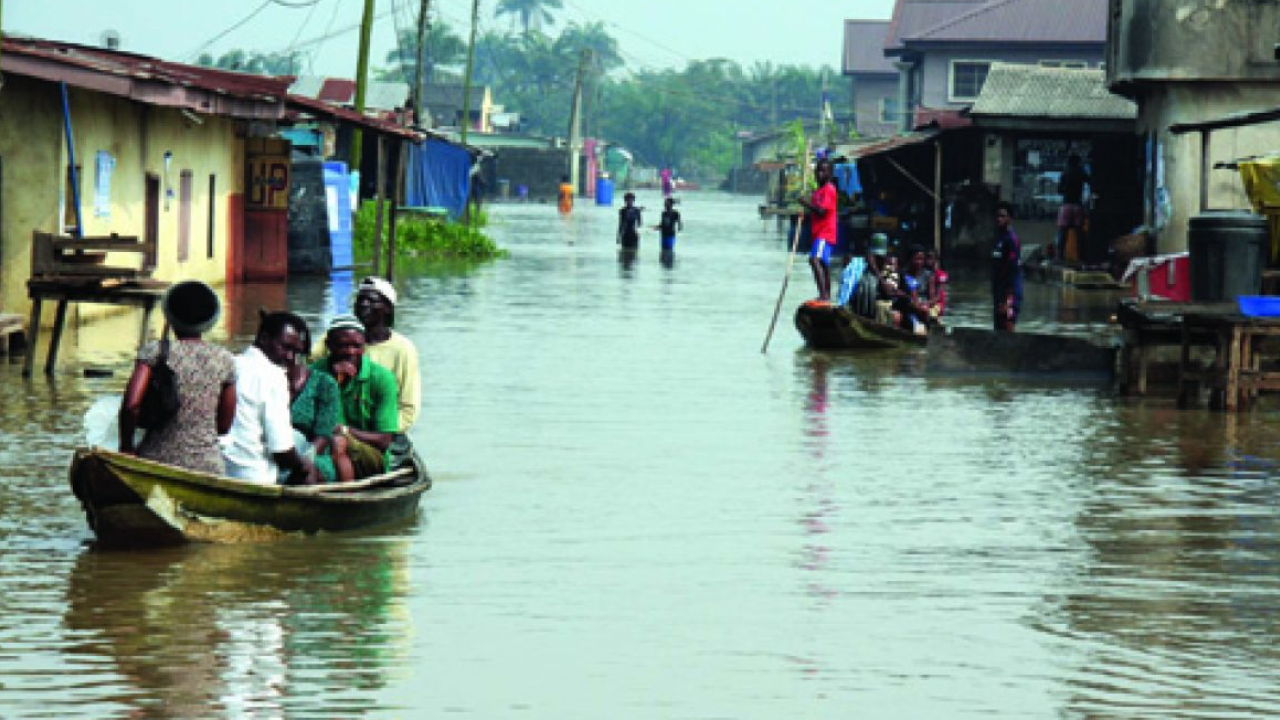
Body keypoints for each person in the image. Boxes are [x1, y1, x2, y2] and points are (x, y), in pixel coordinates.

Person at [118, 280, 236, 475]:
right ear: (210, 320)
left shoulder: (154, 352)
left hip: (156, 462)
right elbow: (223, 426)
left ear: (169, 316)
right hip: (208, 466)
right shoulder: (225, 360)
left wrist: (126, 448)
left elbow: (131, 406)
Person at [222, 311, 320, 485]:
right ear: (264, 338)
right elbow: (281, 450)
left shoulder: (231, 362)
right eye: (286, 347)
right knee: (307, 463)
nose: (290, 358)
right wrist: (302, 467)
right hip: (253, 477)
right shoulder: (274, 377)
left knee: (298, 441)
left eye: (296, 352)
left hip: (221, 470)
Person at [312, 315, 400, 481]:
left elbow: (384, 440)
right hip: (323, 449)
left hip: (370, 456)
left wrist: (344, 431)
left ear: (364, 347)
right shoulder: (315, 374)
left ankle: (347, 497)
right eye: (343, 346)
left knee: (338, 441)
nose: (350, 352)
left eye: (356, 346)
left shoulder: (382, 379)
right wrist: (332, 381)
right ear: (329, 345)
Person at [353, 276, 420, 432]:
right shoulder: (339, 339)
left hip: (385, 430)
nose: (364, 305)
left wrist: (383, 432)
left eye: (371, 301)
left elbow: (408, 409)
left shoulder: (403, 349)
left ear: (387, 308)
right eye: (360, 300)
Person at [286, 320, 345, 484]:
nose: (287, 356)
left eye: (292, 349)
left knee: (306, 472)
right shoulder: (263, 380)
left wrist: (299, 460)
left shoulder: (324, 384)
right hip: (270, 450)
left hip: (312, 454)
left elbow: (323, 436)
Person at [798, 158, 838, 302]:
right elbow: (815, 212)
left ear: (830, 174)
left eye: (824, 171)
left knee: (814, 259)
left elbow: (821, 212)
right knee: (823, 263)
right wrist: (805, 215)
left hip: (825, 232)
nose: (820, 174)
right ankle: (826, 295)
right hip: (818, 233)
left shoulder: (829, 189)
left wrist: (805, 203)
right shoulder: (818, 192)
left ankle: (823, 295)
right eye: (818, 171)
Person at [992, 201, 1023, 332]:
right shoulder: (998, 238)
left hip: (1010, 291)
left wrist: (1008, 298)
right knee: (998, 327)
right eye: (998, 216)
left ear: (1009, 218)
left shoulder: (1012, 239)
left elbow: (1012, 269)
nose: (999, 219)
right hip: (999, 290)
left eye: (1003, 216)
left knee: (1007, 323)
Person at [1056, 154, 1092, 262]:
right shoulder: (1081, 172)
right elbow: (1091, 182)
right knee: (1079, 233)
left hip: (1066, 205)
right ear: (1078, 162)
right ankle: (1082, 257)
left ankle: (1060, 257)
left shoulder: (1065, 173)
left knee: (1063, 232)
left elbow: (1059, 190)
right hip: (1077, 205)